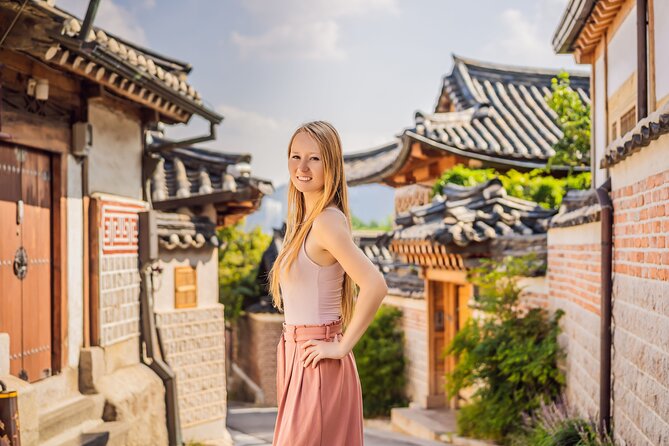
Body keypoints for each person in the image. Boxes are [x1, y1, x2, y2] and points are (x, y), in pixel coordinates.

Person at [267, 121, 389, 446]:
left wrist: (340, 346)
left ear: (331, 164)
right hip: (297, 357)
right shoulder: (304, 222)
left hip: (317, 360)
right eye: (295, 156)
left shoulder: (327, 222)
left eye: (314, 158)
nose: (301, 167)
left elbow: (375, 285)